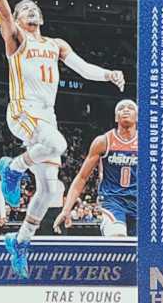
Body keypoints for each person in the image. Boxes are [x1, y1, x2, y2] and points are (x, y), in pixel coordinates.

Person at [0, 0, 125, 279]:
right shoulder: (16, 39)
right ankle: (12, 168)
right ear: (18, 20)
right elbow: (3, 12)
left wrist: (108, 74)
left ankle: (20, 241)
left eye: (34, 7)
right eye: (24, 9)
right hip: (22, 111)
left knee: (50, 191)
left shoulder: (56, 45)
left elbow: (83, 68)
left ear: (42, 17)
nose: (30, 10)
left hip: (46, 117)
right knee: (59, 144)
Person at [54, 99, 137, 238]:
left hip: (138, 201)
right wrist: (66, 209)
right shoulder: (103, 141)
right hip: (112, 201)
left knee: (145, 247)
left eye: (130, 107)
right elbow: (82, 177)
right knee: (117, 239)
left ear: (137, 117)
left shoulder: (146, 143)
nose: (126, 110)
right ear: (116, 117)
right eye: (121, 108)